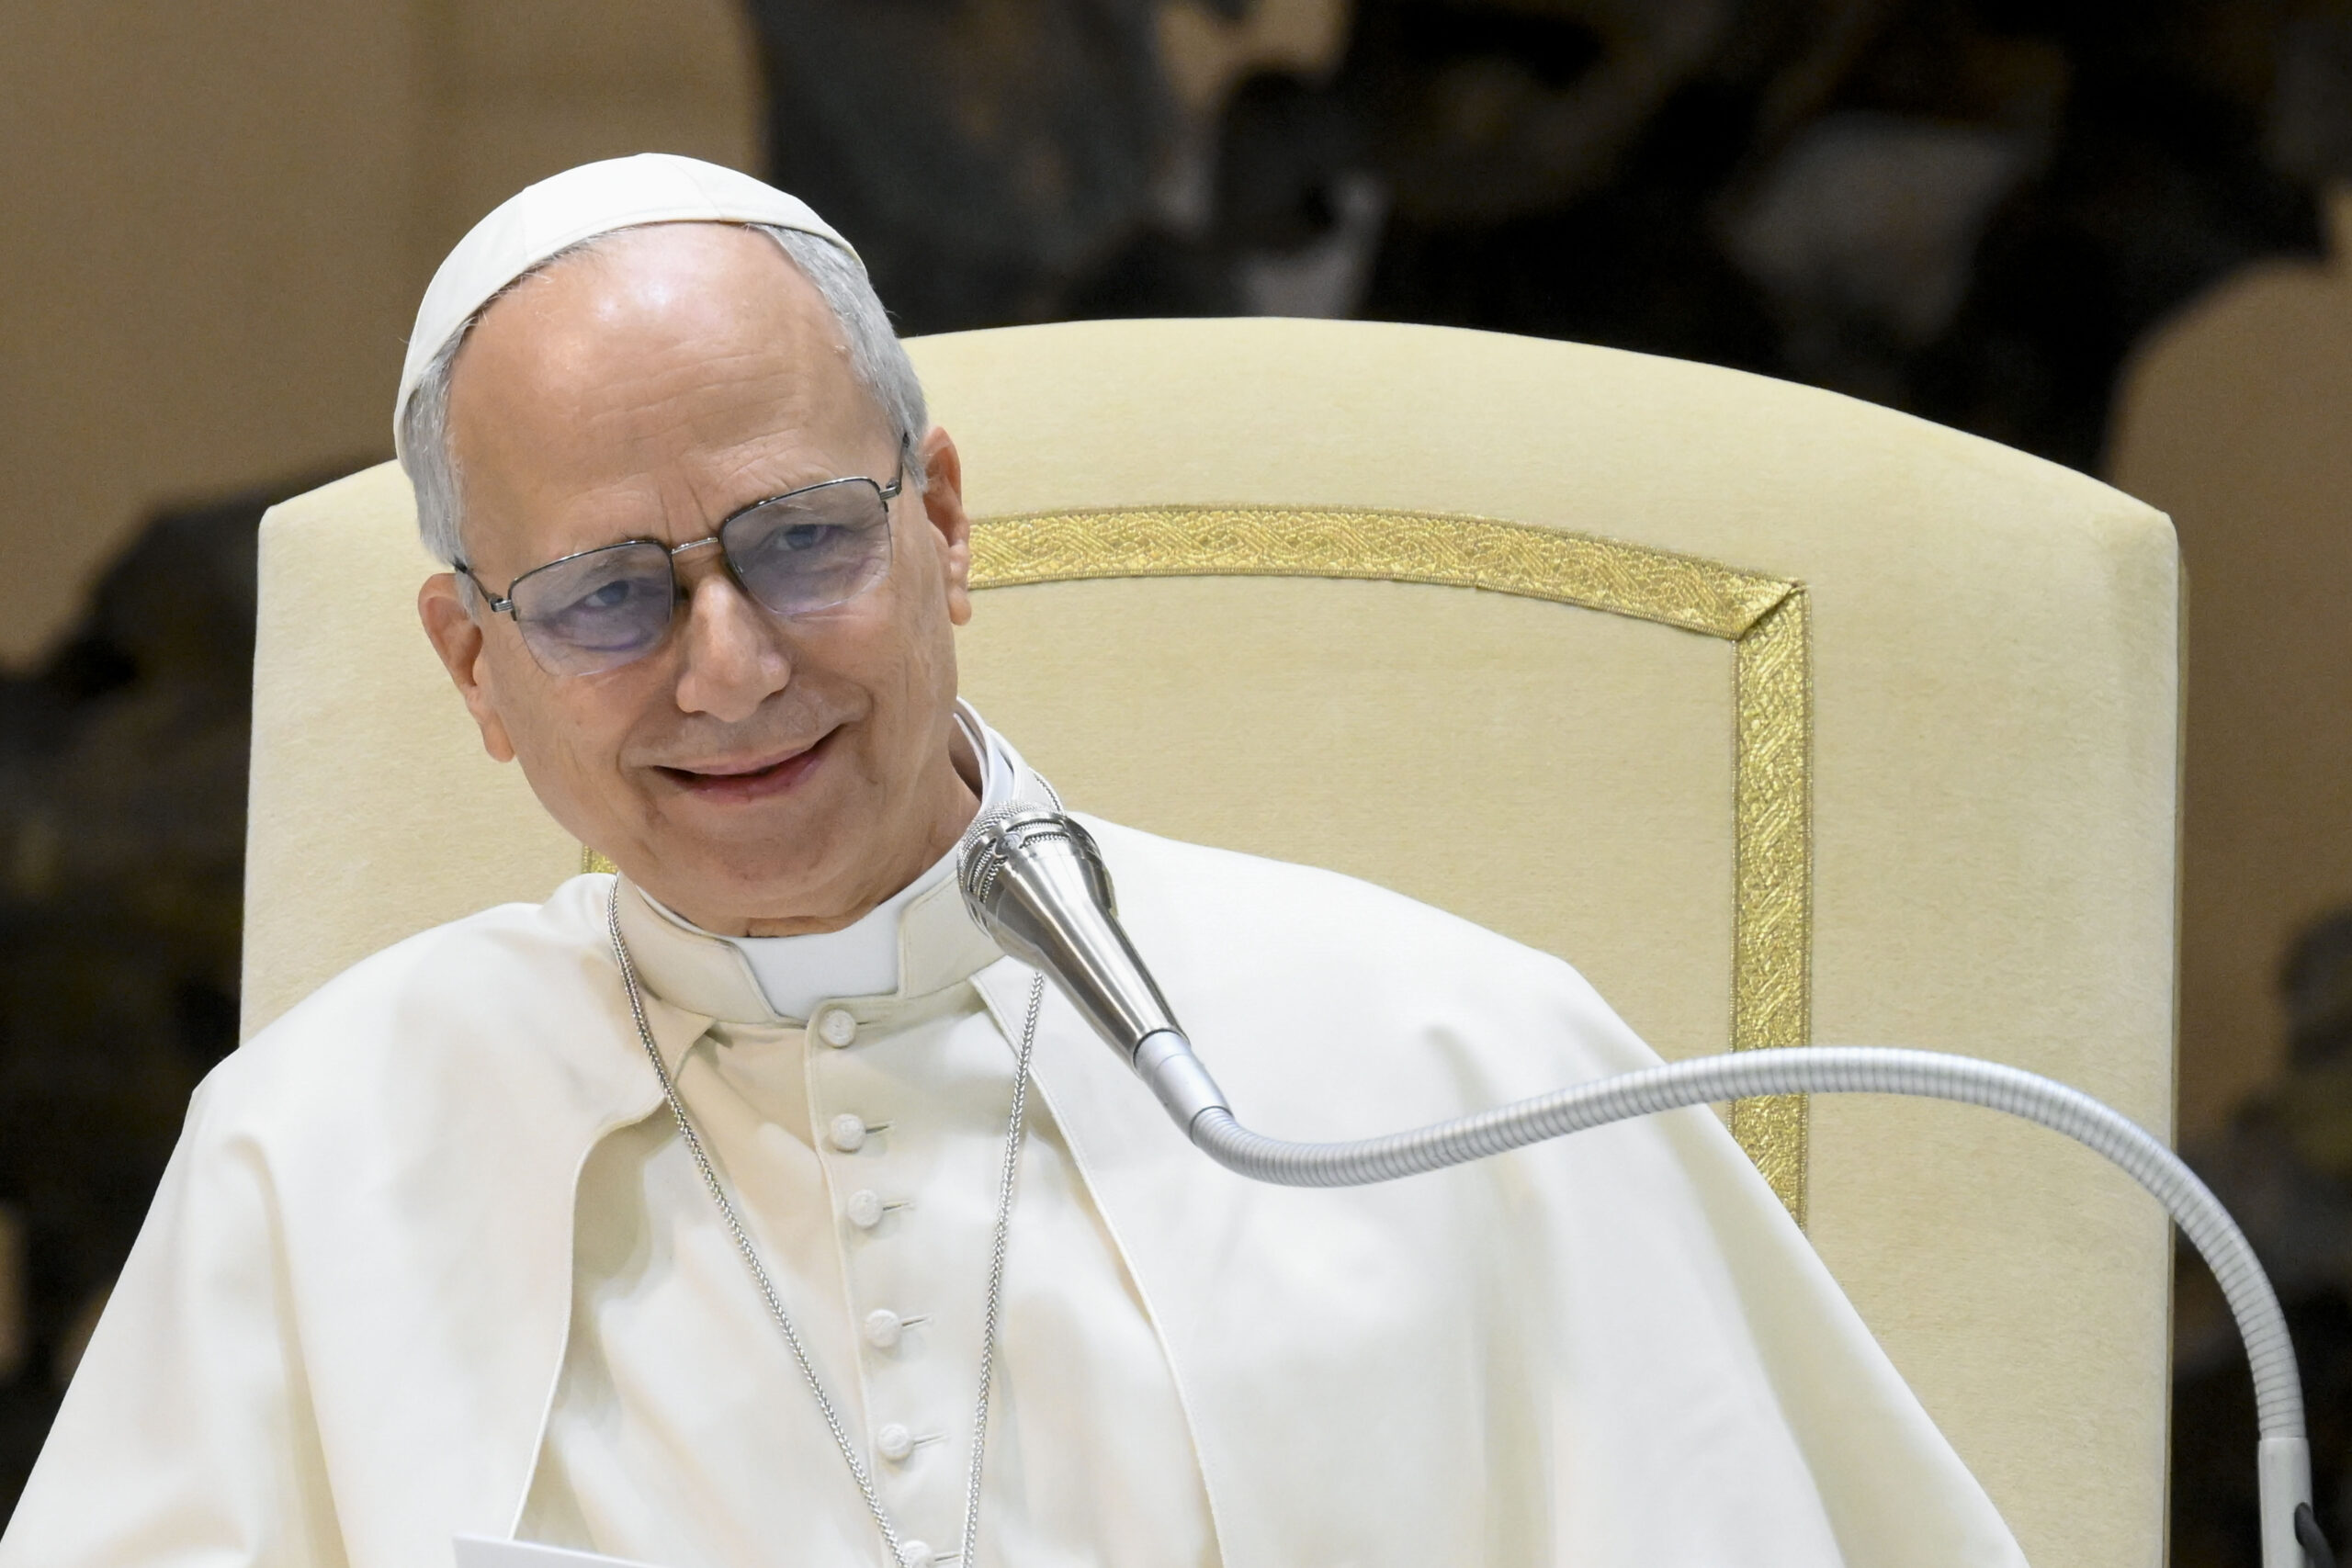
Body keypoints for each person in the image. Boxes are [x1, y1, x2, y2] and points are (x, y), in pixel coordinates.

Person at [0, 155, 2024, 1568]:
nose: (733, 667)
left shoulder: (1435, 1056)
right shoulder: (312, 1152)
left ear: (941, 522)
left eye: (799, 537)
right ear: (477, 664)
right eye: (610, 596)